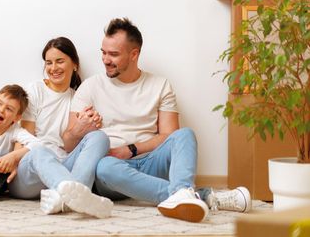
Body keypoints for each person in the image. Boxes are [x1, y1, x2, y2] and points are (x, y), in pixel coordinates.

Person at [64, 17, 252, 223]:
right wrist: (79, 130)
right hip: (112, 171)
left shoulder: (159, 85)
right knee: (104, 167)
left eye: (114, 54)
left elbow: (169, 135)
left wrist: (131, 149)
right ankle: (197, 195)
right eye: (103, 52)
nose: (106, 59)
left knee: (185, 135)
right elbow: (68, 145)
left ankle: (183, 194)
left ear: (134, 54)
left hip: (149, 161)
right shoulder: (91, 87)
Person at [8, 37, 114, 218]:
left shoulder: (79, 97)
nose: (53, 68)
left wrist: (89, 125)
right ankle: (79, 193)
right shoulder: (35, 90)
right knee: (40, 150)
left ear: (74, 65)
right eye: (48, 62)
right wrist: (13, 159)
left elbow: (73, 144)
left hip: (62, 166)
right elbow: (24, 135)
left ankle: (69, 197)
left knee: (100, 137)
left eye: (59, 61)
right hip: (30, 169)